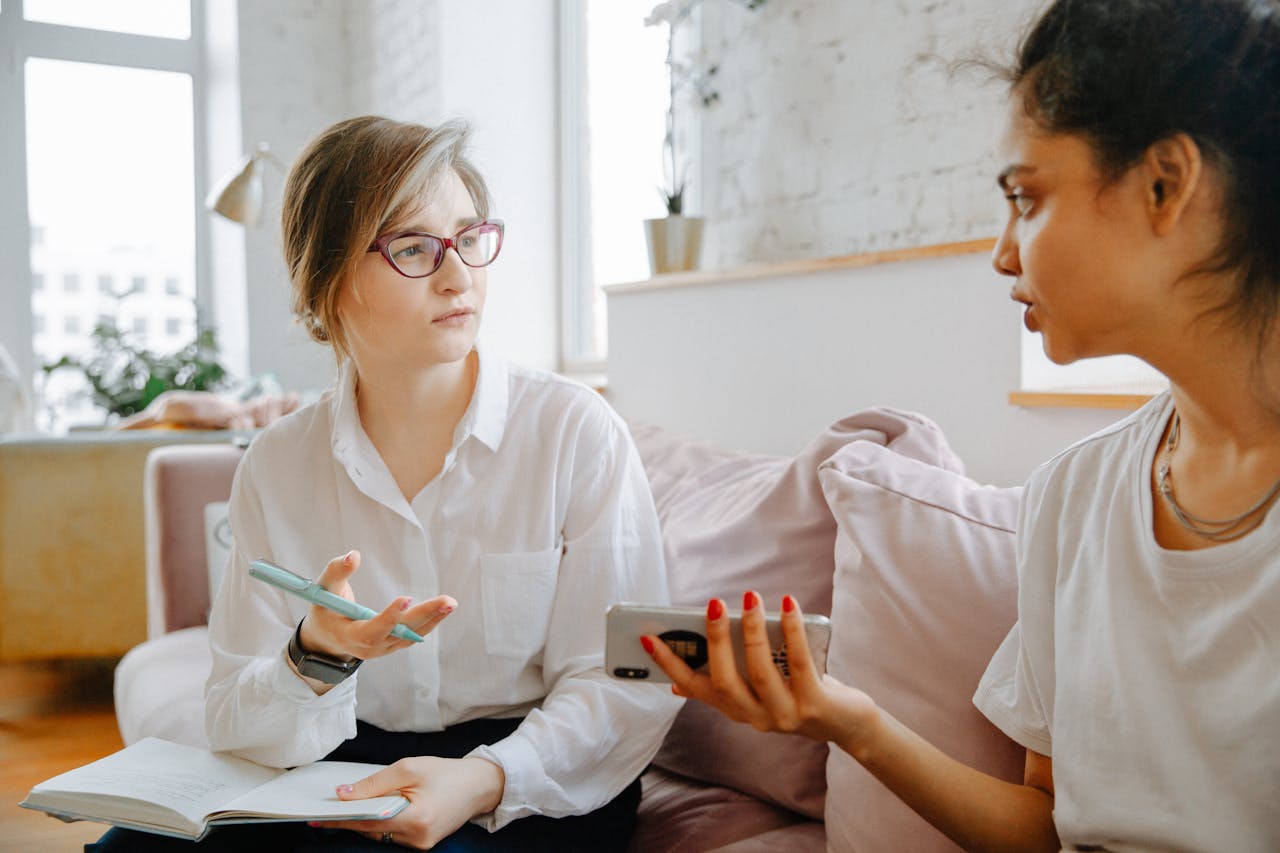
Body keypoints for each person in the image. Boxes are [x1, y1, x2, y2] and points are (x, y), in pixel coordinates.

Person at [644, 0, 1280, 850]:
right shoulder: (1072, 497)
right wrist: (845, 718)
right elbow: (1045, 829)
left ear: (1165, 183)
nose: (1002, 252)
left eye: (1026, 197)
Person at [89, 116, 680, 852]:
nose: (458, 274)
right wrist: (314, 654)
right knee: (131, 846)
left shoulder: (574, 432)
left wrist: (484, 777)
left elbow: (625, 682)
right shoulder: (276, 465)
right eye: (412, 247)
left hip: (529, 780)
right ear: (329, 281)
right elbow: (235, 716)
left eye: (468, 238)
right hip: (348, 762)